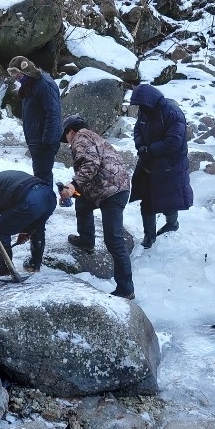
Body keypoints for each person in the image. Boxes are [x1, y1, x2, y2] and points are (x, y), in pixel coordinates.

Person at [59, 115, 136, 300]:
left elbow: (91, 164)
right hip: (113, 187)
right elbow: (95, 168)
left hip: (112, 192)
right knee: (82, 203)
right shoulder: (95, 138)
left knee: (114, 240)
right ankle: (87, 240)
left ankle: (126, 289)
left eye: (66, 136)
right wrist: (74, 192)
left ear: (70, 131)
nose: (67, 141)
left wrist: (72, 185)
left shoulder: (81, 137)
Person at [128, 83, 193, 248]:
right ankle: (149, 236)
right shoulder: (145, 112)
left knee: (168, 199)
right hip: (148, 162)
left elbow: (174, 141)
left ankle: (172, 223)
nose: (140, 109)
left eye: (141, 105)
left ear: (151, 101)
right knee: (147, 201)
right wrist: (141, 146)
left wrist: (150, 150)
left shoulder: (172, 113)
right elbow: (137, 130)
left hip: (169, 164)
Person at [0, 170, 57, 276]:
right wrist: (25, 231)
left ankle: (4, 267)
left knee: (0, 229)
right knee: (38, 228)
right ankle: (34, 264)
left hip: (30, 199)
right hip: (49, 195)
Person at [7, 56, 62, 188]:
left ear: (26, 70)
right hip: (37, 139)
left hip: (44, 141)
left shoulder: (44, 84)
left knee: (42, 177)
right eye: (13, 75)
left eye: (17, 74)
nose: (16, 78)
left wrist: (47, 141)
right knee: (42, 175)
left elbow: (53, 114)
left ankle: (45, 205)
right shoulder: (31, 83)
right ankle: (45, 204)